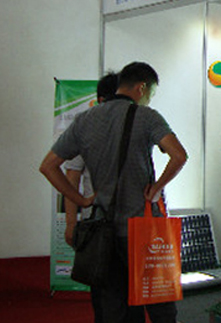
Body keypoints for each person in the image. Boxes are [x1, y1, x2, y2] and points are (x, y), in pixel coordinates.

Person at [39, 62, 188, 323]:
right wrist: (155, 189)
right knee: (160, 305)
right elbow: (179, 155)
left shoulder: (85, 120)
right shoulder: (147, 116)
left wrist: (80, 200)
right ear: (142, 88)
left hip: (103, 232)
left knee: (113, 307)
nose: (149, 99)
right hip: (144, 231)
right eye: (151, 93)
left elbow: (48, 166)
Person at [61, 72, 118, 323]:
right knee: (101, 288)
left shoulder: (134, 126)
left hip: (130, 222)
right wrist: (71, 223)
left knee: (128, 291)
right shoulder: (86, 129)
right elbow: (71, 178)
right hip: (96, 223)